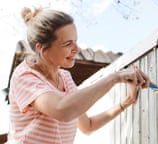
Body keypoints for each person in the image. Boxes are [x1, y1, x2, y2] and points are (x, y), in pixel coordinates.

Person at [6, 7, 150, 144]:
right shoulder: (24, 77)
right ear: (42, 48)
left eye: (76, 42)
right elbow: (62, 110)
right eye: (68, 44)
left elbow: (88, 126)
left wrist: (127, 101)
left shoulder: (65, 78)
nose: (77, 49)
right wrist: (115, 78)